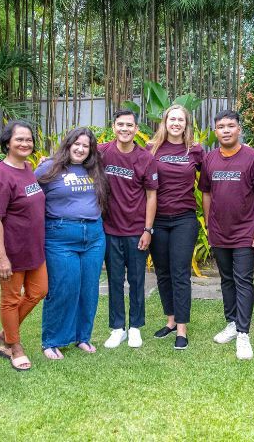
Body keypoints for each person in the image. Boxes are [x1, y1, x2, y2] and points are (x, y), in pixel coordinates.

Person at [199, 110, 254, 360]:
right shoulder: (209, 160)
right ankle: (231, 322)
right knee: (226, 279)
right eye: (221, 126)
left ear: (239, 129)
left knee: (243, 280)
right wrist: (209, 224)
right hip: (219, 230)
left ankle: (243, 333)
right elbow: (206, 192)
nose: (226, 130)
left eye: (231, 126)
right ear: (215, 131)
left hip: (245, 231)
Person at [36, 128, 109, 359]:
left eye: (85, 146)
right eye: (76, 144)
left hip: (95, 236)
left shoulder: (95, 169)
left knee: (89, 289)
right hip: (61, 236)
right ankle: (52, 340)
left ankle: (82, 337)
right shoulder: (47, 168)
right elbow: (27, 193)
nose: (80, 149)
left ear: (91, 150)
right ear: (67, 145)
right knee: (63, 287)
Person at [0, 121, 47, 371]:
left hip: (34, 247)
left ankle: (5, 334)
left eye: (29, 139)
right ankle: (14, 346)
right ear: (7, 142)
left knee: (39, 291)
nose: (25, 143)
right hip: (12, 249)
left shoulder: (28, 167)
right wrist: (0, 257)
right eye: (19, 139)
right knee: (10, 299)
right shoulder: (0, 175)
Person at [99, 109, 159, 349]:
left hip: (136, 230)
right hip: (109, 229)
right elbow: (74, 156)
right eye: (120, 124)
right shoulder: (102, 153)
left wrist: (148, 229)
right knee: (114, 280)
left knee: (136, 280)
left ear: (136, 129)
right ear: (113, 127)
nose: (124, 129)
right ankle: (117, 328)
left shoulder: (145, 158)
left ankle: (135, 327)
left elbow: (152, 196)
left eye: (129, 125)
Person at [147, 105, 204, 350]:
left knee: (180, 272)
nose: (176, 123)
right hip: (157, 220)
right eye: (172, 119)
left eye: (181, 119)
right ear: (165, 121)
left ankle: (182, 328)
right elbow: (119, 156)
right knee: (163, 272)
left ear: (186, 123)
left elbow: (216, 173)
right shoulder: (151, 149)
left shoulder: (195, 150)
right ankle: (170, 321)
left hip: (184, 219)